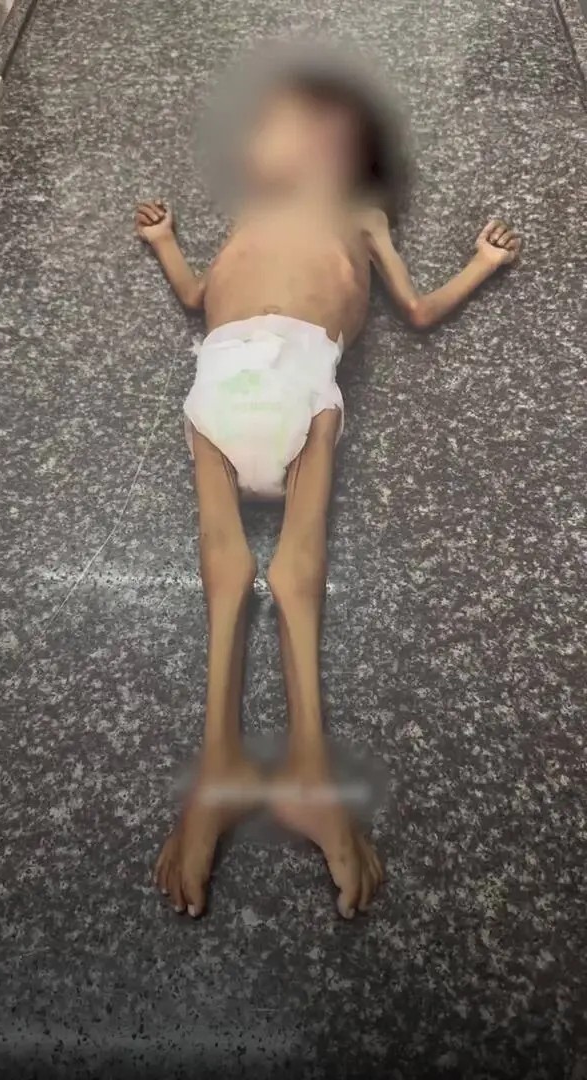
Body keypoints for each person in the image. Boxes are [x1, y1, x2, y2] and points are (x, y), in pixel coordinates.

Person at [134, 72, 521, 920]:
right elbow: (199, 298)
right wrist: (166, 243)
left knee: (295, 572)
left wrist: (481, 266)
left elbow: (416, 310)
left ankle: (309, 773)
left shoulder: (364, 218)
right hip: (220, 378)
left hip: (306, 379)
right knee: (226, 573)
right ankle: (220, 771)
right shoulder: (249, 211)